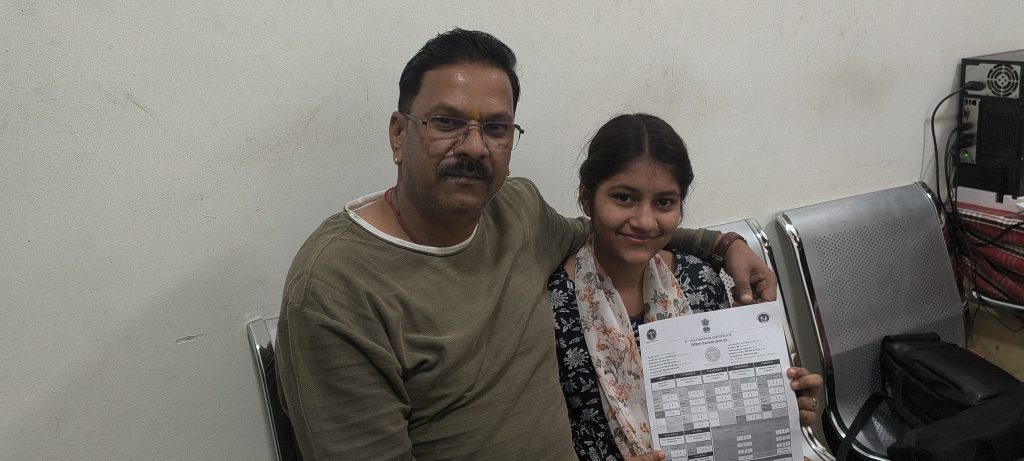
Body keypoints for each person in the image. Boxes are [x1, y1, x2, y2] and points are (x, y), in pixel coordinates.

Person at [275, 29, 779, 459]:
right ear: (398, 135)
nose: (475, 146)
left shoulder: (515, 212)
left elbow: (616, 229)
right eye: (447, 122)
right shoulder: (335, 287)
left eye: (495, 127)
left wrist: (725, 245)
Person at [549, 113, 823, 461]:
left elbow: (726, 404)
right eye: (623, 198)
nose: (645, 221)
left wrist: (781, 405)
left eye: (664, 202)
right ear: (586, 197)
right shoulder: (554, 305)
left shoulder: (700, 281)